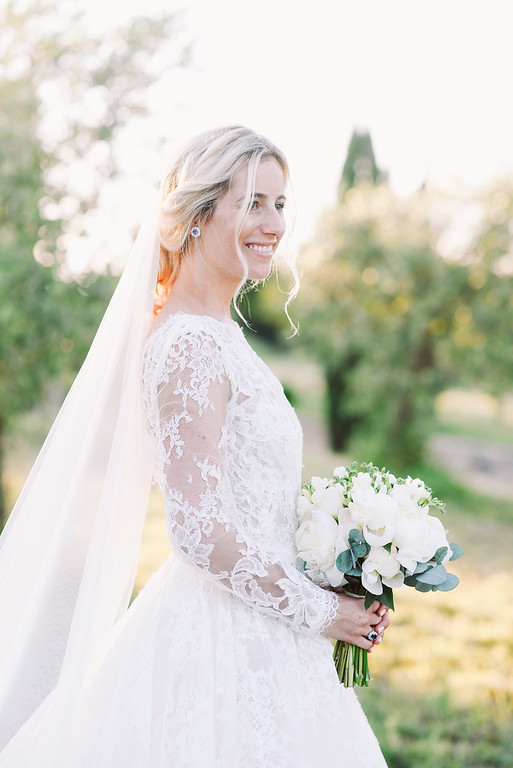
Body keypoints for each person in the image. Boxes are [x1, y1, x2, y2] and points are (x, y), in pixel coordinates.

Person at [0, 125, 389, 766]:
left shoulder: (218, 334)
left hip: (268, 628)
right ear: (197, 215)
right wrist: (323, 612)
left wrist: (339, 560)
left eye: (280, 204)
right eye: (252, 202)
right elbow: (202, 533)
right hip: (219, 643)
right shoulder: (188, 345)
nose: (273, 224)